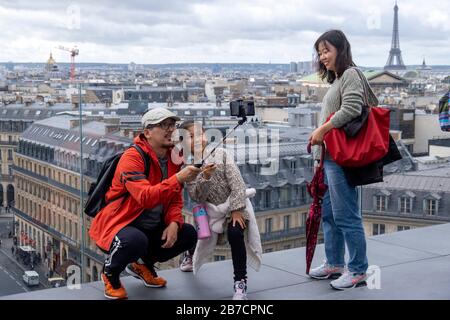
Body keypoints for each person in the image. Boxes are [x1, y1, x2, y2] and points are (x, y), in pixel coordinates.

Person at [89, 108, 202, 300]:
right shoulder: (132, 157)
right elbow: (145, 197)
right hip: (121, 223)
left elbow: (175, 198)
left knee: (188, 234)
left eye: (172, 125)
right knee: (134, 240)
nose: (169, 130)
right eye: (162, 125)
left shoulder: (174, 156)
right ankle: (110, 274)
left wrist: (174, 222)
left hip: (150, 225)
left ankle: (143, 265)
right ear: (147, 132)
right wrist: (178, 178)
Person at [308, 30, 377, 290]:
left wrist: (322, 130)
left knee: (346, 215)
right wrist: (318, 157)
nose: (323, 56)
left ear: (340, 49)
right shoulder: (337, 80)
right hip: (329, 157)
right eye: (320, 52)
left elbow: (352, 108)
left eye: (327, 50)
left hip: (340, 158)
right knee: (329, 214)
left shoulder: (350, 74)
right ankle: (335, 262)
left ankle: (358, 269)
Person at [177, 120, 262, 300]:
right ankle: (190, 254)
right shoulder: (188, 169)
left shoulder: (222, 154)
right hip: (212, 212)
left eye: (200, 133)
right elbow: (197, 197)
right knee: (202, 234)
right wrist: (205, 178)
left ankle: (240, 283)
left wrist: (237, 210)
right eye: (191, 136)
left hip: (235, 206)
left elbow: (238, 184)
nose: (198, 138)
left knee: (235, 233)